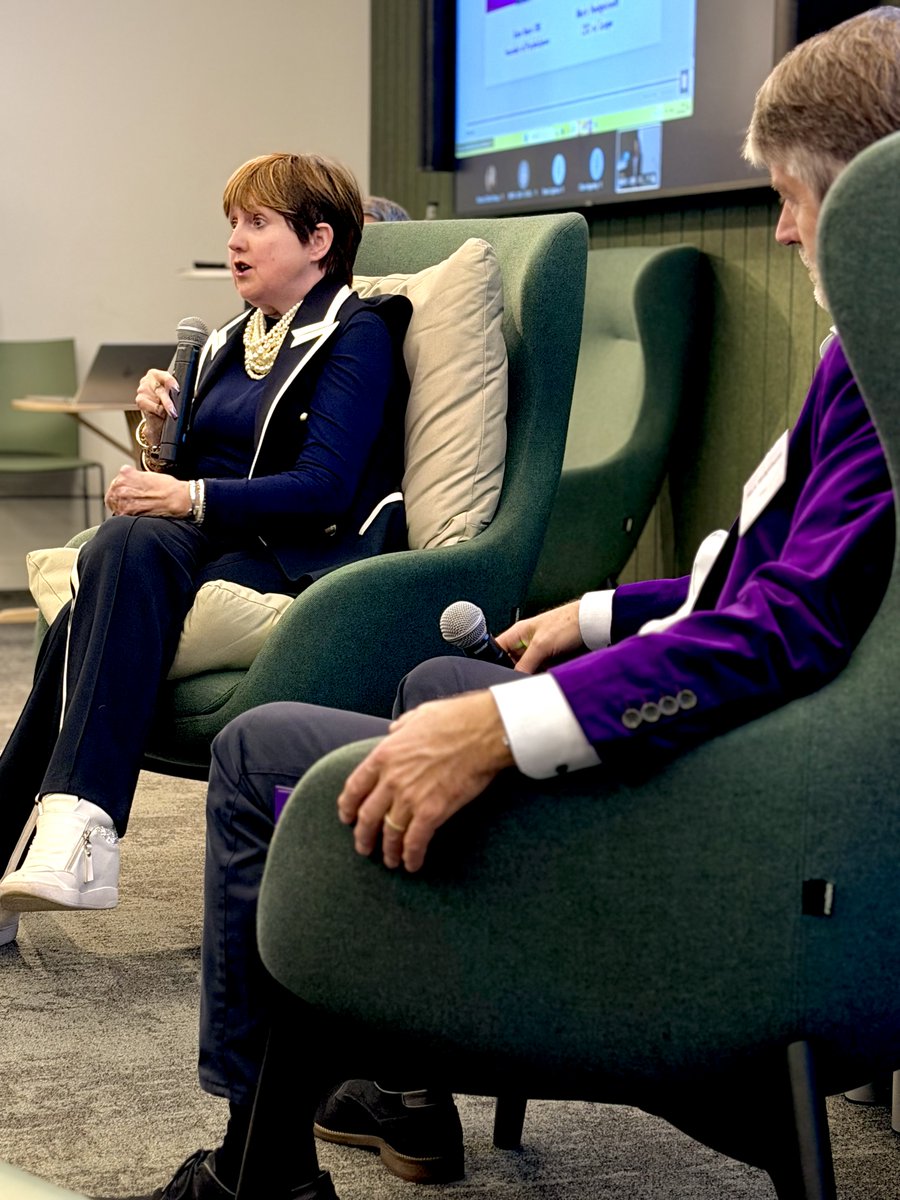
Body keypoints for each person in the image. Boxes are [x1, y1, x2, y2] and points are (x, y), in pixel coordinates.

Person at [141, 9, 900, 1199]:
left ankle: (256, 1170)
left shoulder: (876, 373)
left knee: (259, 757)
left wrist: (511, 727)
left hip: (738, 806)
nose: (785, 223)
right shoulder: (862, 357)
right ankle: (400, 1073)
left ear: (866, 194)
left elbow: (785, 630)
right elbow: (763, 586)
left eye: (797, 194)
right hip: (746, 749)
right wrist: (595, 619)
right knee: (441, 683)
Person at [0, 153, 412, 942]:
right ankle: (71, 834)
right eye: (233, 223)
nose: (235, 241)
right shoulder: (229, 338)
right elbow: (186, 474)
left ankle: (64, 831)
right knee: (119, 554)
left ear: (319, 240)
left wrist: (183, 495)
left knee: (94, 598)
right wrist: (160, 436)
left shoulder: (358, 333)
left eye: (258, 223)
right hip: (206, 541)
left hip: (294, 554)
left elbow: (324, 487)